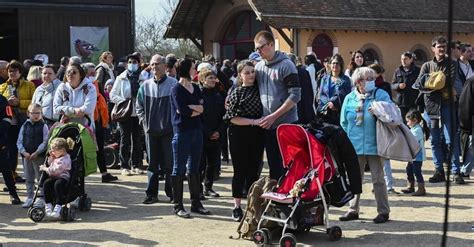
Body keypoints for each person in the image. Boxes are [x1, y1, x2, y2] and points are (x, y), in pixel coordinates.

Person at [339, 67, 391, 224]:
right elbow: (344, 122)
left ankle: (383, 211)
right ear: (358, 82)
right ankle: (353, 210)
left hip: (376, 144)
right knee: (355, 179)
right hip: (355, 145)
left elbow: (391, 113)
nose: (371, 81)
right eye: (367, 79)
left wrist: (379, 112)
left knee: (378, 179)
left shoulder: (380, 94)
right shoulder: (349, 98)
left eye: (372, 78)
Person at [253, 30, 301, 180]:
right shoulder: (259, 67)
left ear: (272, 44)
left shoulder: (287, 65)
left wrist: (274, 116)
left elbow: (295, 95)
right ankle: (275, 199)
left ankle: (289, 199)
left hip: (286, 123)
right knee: (273, 166)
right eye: (256, 48)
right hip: (267, 125)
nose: (258, 51)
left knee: (289, 165)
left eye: (261, 47)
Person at [417, 36, 464, 184]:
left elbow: (447, 82)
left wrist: (431, 82)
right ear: (433, 48)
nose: (442, 49)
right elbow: (420, 84)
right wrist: (435, 81)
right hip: (431, 107)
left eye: (444, 46)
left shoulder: (452, 64)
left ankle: (456, 171)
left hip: (447, 105)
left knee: (451, 139)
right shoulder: (426, 66)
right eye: (439, 46)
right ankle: (439, 171)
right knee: (434, 140)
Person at [223, 60, 264, 221]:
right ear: (240, 75)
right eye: (247, 73)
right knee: (240, 171)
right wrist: (253, 122)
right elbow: (231, 118)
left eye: (252, 72)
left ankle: (252, 205)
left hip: (257, 135)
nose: (251, 75)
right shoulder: (237, 92)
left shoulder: (261, 90)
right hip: (238, 134)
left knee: (254, 171)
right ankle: (237, 206)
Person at [170, 58, 210, 218]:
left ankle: (196, 203)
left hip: (196, 131)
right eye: (194, 68)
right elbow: (181, 110)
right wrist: (195, 109)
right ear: (186, 69)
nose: (196, 71)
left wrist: (192, 109)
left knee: (194, 167)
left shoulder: (195, 87)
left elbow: (202, 107)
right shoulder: (176, 89)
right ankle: (177, 205)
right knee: (178, 168)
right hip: (182, 132)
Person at [136, 54, 176, 204]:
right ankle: (151, 194)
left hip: (169, 131)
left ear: (165, 66)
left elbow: (178, 106)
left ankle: (172, 194)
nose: (154, 67)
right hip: (150, 131)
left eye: (157, 64)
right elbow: (138, 106)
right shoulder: (145, 86)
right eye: (152, 64)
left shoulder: (173, 84)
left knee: (169, 163)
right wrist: (144, 122)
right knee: (152, 163)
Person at [0, 60, 36, 183]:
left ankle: (29, 176)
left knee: (25, 147)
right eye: (10, 71)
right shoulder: (3, 87)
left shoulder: (29, 85)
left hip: (24, 120)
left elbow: (34, 102)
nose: (12, 73)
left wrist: (19, 102)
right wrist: (7, 103)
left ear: (20, 72)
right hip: (9, 122)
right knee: (10, 149)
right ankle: (11, 175)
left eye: (15, 71)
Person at [110, 53, 146, 176]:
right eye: (129, 62)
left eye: (134, 62)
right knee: (125, 139)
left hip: (138, 113)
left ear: (138, 64)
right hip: (125, 113)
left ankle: (136, 164)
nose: (131, 64)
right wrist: (125, 102)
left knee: (137, 139)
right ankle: (124, 165)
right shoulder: (121, 78)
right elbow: (112, 95)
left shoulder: (143, 78)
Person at [198, 68, 225, 198]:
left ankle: (208, 187)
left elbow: (224, 116)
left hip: (217, 135)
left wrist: (219, 131)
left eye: (214, 77)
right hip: (202, 136)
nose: (213, 80)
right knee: (200, 164)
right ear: (203, 80)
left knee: (212, 164)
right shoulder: (199, 95)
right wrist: (208, 132)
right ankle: (197, 189)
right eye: (210, 78)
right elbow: (198, 117)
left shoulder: (219, 95)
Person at [16, 103, 49, 207]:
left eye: (38, 113)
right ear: (28, 113)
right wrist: (23, 152)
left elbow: (45, 141)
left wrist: (37, 152)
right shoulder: (24, 125)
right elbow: (19, 141)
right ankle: (30, 197)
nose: (36, 115)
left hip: (39, 156)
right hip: (27, 156)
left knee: (40, 178)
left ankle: (41, 198)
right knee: (29, 178)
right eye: (33, 113)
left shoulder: (43, 126)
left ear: (41, 114)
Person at [53, 63, 97, 129]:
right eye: (68, 72)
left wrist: (68, 114)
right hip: (65, 126)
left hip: (85, 126)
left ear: (81, 75)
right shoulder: (62, 87)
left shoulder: (90, 87)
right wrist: (73, 110)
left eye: (74, 72)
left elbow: (88, 109)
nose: (70, 74)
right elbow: (56, 109)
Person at [39, 137, 73, 218]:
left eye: (54, 150)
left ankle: (58, 205)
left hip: (63, 177)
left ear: (61, 150)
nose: (52, 152)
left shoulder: (65, 159)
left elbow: (55, 170)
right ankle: (48, 203)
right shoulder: (57, 157)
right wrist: (51, 157)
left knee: (58, 184)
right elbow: (51, 164)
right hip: (54, 176)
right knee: (46, 183)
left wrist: (45, 168)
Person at [317, 54, 351, 125]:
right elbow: (320, 94)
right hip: (325, 113)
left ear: (341, 65)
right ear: (330, 65)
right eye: (333, 63)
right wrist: (328, 104)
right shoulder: (325, 78)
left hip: (338, 113)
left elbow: (345, 95)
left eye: (337, 63)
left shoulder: (345, 80)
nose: (335, 65)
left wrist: (334, 103)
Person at [402, 110, 430, 196]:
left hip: (417, 156)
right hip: (413, 156)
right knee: (409, 170)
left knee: (417, 171)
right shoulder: (414, 128)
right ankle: (411, 186)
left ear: (415, 120)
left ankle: (421, 188)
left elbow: (411, 140)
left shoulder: (417, 130)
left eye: (408, 121)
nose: (407, 123)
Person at [0, 94, 21, 204]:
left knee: (6, 169)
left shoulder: (2, 99)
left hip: (0, 140)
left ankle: (13, 194)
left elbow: (7, 118)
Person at [391, 51, 421, 120]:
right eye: (402, 59)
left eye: (405, 59)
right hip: (401, 103)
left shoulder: (417, 71)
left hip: (413, 102)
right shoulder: (398, 71)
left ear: (411, 60)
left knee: (412, 122)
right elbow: (392, 85)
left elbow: (421, 84)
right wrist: (398, 86)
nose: (403, 61)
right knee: (403, 123)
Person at [288, 53, 315, 124]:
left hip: (294, 112)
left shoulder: (288, 74)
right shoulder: (304, 72)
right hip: (306, 109)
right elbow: (310, 92)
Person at [459, 77, 473, 178]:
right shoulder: (471, 81)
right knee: (471, 146)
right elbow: (466, 103)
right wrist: (465, 124)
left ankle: (465, 170)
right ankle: (465, 170)